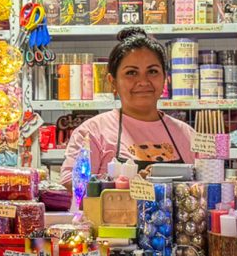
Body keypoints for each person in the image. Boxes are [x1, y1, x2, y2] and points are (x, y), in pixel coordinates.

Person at [60, 27, 196, 185]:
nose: (143, 82)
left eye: (152, 71)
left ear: (165, 78)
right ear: (113, 82)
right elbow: (70, 183)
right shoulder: (92, 133)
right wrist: (123, 185)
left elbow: (205, 185)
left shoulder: (186, 135)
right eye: (131, 73)